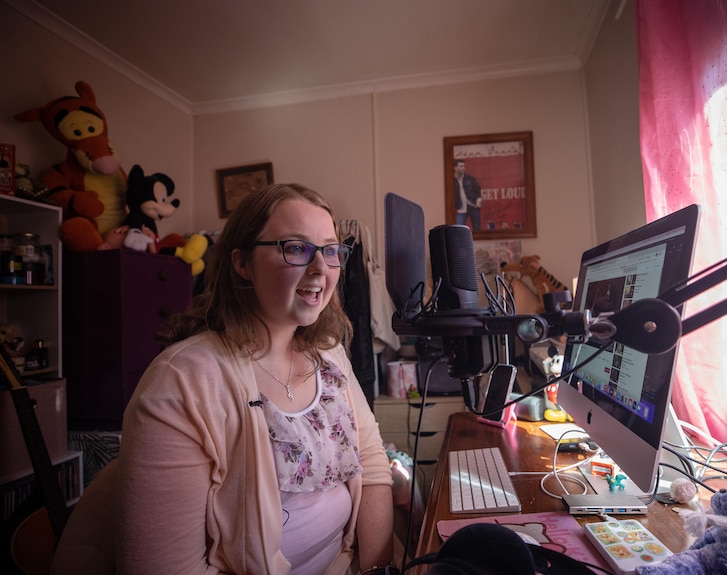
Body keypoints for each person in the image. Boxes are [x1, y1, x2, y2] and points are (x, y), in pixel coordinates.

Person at [51, 183, 396, 575]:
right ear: (241, 263)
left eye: (331, 250)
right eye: (297, 248)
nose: (321, 268)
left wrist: (378, 571)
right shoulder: (183, 381)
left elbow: (372, 465)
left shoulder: (329, 352)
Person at [453, 159, 482, 230]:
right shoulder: (451, 180)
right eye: (461, 166)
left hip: (473, 206)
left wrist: (479, 199)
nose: (463, 168)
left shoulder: (470, 178)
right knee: (459, 230)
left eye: (464, 166)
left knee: (477, 228)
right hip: (461, 208)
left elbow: (478, 190)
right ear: (455, 168)